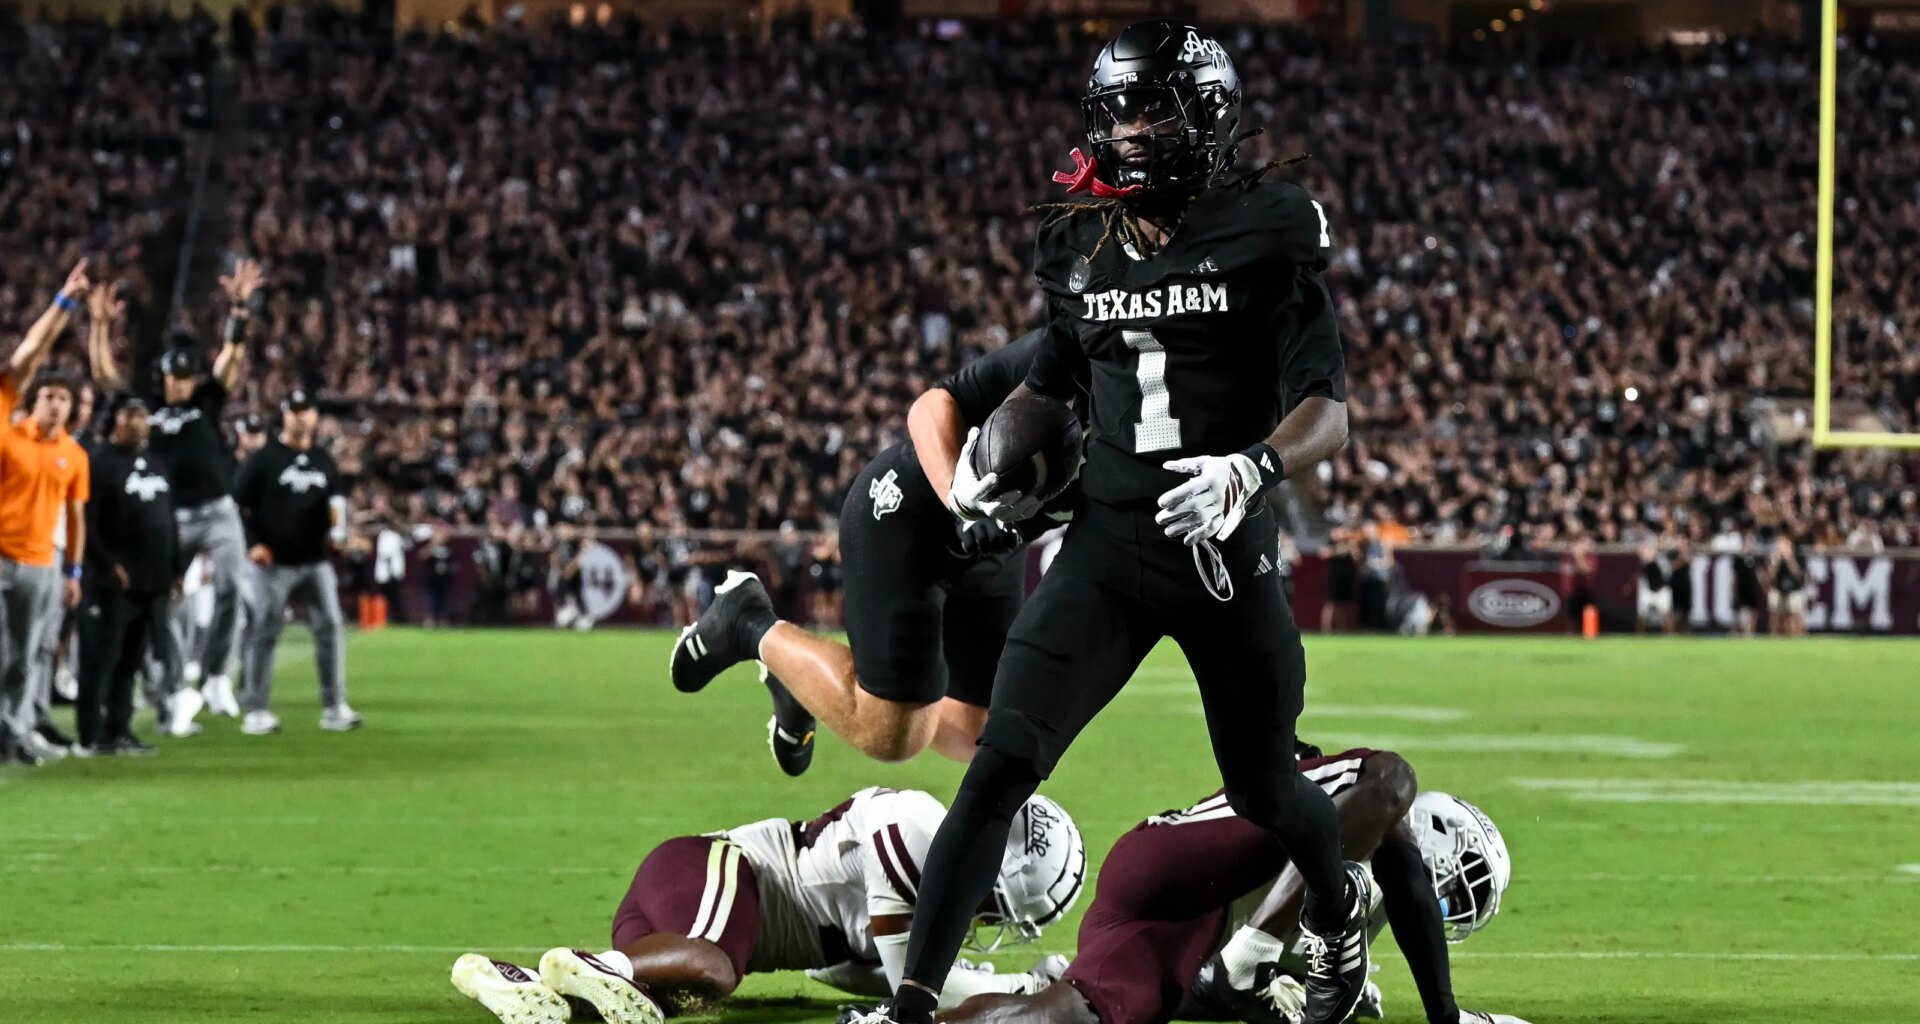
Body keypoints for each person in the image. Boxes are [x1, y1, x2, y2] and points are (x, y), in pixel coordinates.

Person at [869, 24, 1371, 1024]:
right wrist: (989, 469)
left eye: (1153, 108)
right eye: (1119, 110)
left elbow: (1331, 408)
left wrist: (1253, 465)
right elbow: (1054, 374)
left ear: (1208, 115)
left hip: (1222, 545)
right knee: (1001, 760)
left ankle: (1337, 905)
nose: (1133, 130)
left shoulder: (1269, 230)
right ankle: (910, 1006)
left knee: (1267, 782)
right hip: (1106, 548)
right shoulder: (1080, 241)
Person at [835, 748, 1527, 1024]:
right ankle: (1250, 954)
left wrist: (1270, 987)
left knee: (1072, 1015)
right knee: (1391, 778)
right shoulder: (1382, 825)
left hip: (1169, 923)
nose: (1442, 910)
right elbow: (1383, 808)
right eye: (1451, 892)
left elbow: (1219, 996)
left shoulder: (1369, 896)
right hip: (1181, 863)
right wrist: (1446, 1016)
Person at [669, 331, 1069, 777]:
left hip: (995, 545)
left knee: (980, 731)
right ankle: (745, 621)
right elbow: (931, 407)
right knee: (893, 735)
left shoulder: (1154, 429)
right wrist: (959, 502)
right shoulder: (1086, 342)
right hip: (914, 512)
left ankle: (803, 680)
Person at [450, 788, 1083, 1024]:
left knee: (656, 1005)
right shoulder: (916, 825)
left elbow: (844, 972)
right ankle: (603, 965)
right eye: (993, 910)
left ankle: (519, 982)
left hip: (692, 912)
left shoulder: (917, 851)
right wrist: (1027, 986)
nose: (984, 923)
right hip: (718, 871)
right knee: (711, 971)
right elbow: (913, 985)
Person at [125, 258, 266, 734]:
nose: (181, 383)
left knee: (232, 587)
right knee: (163, 602)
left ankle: (211, 677)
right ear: (163, 377)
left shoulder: (207, 400)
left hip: (218, 510)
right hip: (172, 516)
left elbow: (230, 357)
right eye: (174, 377)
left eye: (187, 376)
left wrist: (240, 311)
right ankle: (168, 689)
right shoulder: (148, 411)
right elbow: (107, 381)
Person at [0, 259, 93, 766]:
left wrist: (64, 302)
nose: (55, 405)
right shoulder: (9, 431)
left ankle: (12, 732)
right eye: (48, 397)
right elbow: (28, 354)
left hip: (40, 561)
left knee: (24, 657)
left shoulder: (70, 453)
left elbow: (30, 350)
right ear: (32, 401)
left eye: (64, 399)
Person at [232, 387, 360, 734]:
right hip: (273, 562)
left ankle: (334, 706)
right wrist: (252, 543)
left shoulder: (323, 460)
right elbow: (236, 504)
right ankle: (256, 709)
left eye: (306, 411)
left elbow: (337, 505)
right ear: (285, 417)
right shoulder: (264, 459)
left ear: (315, 417)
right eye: (294, 411)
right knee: (266, 627)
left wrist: (340, 534)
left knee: (331, 626)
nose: (300, 417)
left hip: (314, 560)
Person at [74, 393, 178, 756]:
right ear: (116, 419)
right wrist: (107, 565)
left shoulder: (156, 463)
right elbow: (86, 523)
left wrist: (174, 570)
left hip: (149, 583)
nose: (140, 421)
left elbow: (169, 520)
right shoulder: (99, 463)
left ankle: (119, 728)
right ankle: (91, 733)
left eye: (143, 414)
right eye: (132, 414)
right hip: (109, 583)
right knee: (100, 658)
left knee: (130, 662)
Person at [1767, 534, 1807, 637]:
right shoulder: (1774, 557)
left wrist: (1789, 559)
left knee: (1794, 618)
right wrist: (1776, 561)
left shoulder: (1798, 556)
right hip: (1778, 590)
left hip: (1794, 590)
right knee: (1776, 617)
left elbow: (1798, 574)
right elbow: (1770, 577)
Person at [1634, 541, 1671, 634]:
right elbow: (1641, 573)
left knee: (1667, 616)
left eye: (1651, 550)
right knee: (1641, 617)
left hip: (1661, 590)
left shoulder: (1662, 560)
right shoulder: (1644, 562)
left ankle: (1670, 638)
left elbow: (1666, 574)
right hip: (1648, 590)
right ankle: (1639, 637)